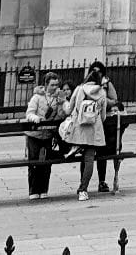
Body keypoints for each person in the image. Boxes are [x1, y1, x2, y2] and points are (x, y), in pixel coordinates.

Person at [60, 66, 107, 201]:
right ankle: (83, 190)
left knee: (84, 157)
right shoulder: (102, 92)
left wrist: (64, 101)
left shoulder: (79, 89)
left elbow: (68, 110)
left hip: (79, 129)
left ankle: (74, 148)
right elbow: (103, 116)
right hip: (93, 130)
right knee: (89, 159)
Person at [24, 70, 64, 199]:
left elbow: (60, 115)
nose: (55, 87)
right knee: (34, 162)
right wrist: (35, 118)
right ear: (46, 85)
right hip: (34, 134)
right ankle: (33, 191)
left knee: (47, 163)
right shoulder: (37, 97)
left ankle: (43, 189)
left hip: (47, 134)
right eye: (52, 85)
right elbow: (29, 113)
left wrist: (61, 102)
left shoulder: (58, 98)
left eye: (56, 85)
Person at [89, 60, 126, 194]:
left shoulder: (106, 84)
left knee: (105, 150)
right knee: (95, 151)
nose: (97, 74)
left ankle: (104, 180)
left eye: (99, 71)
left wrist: (104, 101)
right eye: (94, 71)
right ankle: (93, 181)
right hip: (92, 121)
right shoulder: (87, 85)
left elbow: (115, 100)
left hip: (106, 122)